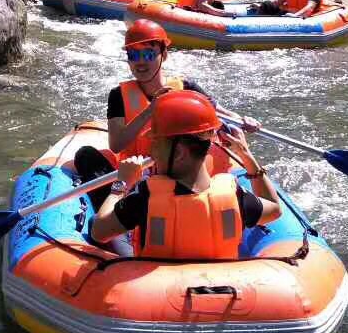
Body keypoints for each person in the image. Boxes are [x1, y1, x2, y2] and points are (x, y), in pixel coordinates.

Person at [74, 19, 256, 204]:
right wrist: (151, 110)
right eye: (133, 55)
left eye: (148, 54)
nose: (140, 62)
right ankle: (119, 217)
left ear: (164, 54)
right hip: (136, 171)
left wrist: (242, 120)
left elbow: (219, 114)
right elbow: (117, 145)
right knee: (85, 156)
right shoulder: (118, 95)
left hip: (177, 170)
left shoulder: (186, 87)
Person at [90, 89, 281, 257]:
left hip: (157, 290)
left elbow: (99, 231)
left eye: (156, 143)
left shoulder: (144, 199)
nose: (152, 151)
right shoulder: (237, 197)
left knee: (94, 220)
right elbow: (274, 208)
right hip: (219, 287)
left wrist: (121, 185)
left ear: (180, 152)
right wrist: (247, 158)